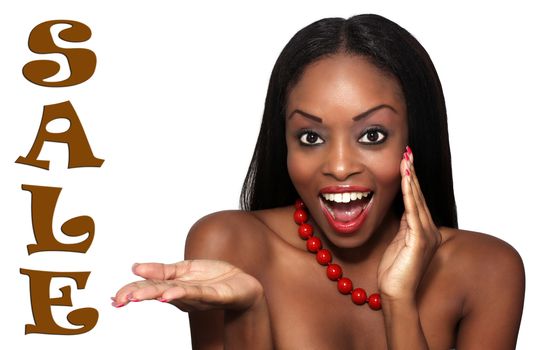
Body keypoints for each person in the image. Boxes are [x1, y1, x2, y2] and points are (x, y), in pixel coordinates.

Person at [113, 14, 525, 349]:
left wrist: (400, 303)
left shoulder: (488, 271)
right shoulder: (230, 245)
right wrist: (251, 311)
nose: (340, 166)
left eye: (372, 135)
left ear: (412, 140)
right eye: (310, 137)